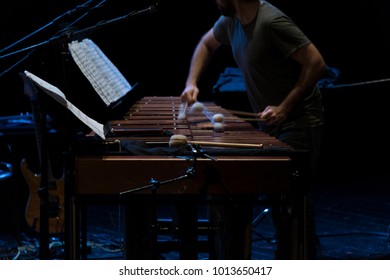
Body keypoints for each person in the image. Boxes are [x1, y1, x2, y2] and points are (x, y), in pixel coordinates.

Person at [180, 0, 327, 259]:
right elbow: (206, 44)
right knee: (281, 205)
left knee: (292, 207)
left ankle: (303, 264)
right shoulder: (231, 20)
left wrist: (284, 107)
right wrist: (192, 83)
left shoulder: (271, 22)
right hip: (270, 122)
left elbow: (315, 63)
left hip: (300, 120)